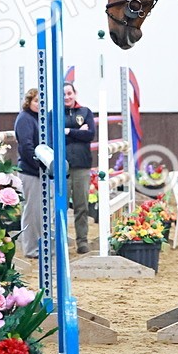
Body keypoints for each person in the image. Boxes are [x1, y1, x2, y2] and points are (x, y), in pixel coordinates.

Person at [63, 82, 96, 254]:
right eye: (64, 94)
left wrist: (68, 131)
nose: (67, 97)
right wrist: (78, 132)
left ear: (75, 93)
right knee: (60, 206)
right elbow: (55, 135)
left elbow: (90, 134)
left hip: (82, 166)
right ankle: (60, 241)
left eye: (69, 93)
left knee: (81, 206)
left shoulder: (85, 112)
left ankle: (82, 241)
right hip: (62, 167)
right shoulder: (55, 114)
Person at [14, 88, 42, 259]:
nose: (40, 105)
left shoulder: (37, 118)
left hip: (38, 171)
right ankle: (31, 248)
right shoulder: (25, 119)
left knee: (37, 211)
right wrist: (40, 165)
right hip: (30, 171)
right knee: (31, 211)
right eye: (37, 101)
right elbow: (26, 146)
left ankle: (37, 245)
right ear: (29, 102)